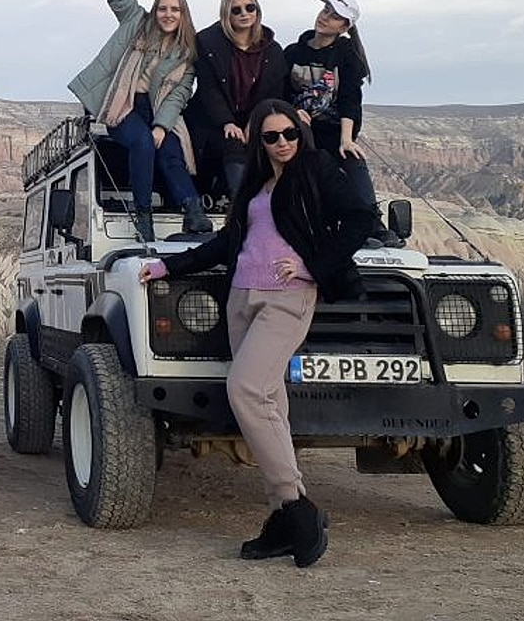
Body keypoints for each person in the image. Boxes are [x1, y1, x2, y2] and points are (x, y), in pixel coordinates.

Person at [139, 98, 374, 567]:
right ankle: (283, 515)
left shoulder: (315, 169)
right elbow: (230, 242)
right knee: (270, 405)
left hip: (287, 299)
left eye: (289, 134)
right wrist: (169, 265)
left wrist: (311, 265)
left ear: (299, 135)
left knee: (245, 389)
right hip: (241, 301)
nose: (282, 142)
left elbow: (361, 217)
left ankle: (298, 509)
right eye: (271, 136)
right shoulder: (256, 183)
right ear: (258, 141)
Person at [69, 0, 211, 240]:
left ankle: (193, 210)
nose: (168, 14)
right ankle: (143, 215)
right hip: (124, 105)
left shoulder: (186, 53)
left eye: (175, 10)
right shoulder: (136, 22)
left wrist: (162, 126)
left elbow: (179, 94)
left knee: (171, 150)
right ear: (155, 10)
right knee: (143, 143)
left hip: (159, 111)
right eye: (163, 8)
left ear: (183, 15)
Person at [282, 0, 395, 242]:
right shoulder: (292, 53)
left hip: (332, 130)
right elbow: (278, 92)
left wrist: (346, 139)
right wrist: (292, 113)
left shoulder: (347, 57)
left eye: (334, 17)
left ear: (344, 27)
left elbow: (349, 99)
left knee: (352, 159)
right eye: (325, 10)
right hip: (295, 130)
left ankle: (370, 221)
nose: (325, 18)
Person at [184, 0, 288, 203]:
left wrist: (255, 121)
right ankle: (240, 205)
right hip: (212, 119)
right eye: (236, 10)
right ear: (226, 14)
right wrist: (227, 121)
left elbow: (273, 93)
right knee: (232, 143)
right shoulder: (207, 42)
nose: (244, 14)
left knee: (271, 144)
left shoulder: (273, 50)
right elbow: (208, 88)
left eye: (250, 7)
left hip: (253, 118)